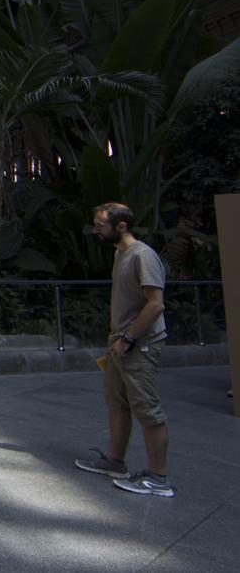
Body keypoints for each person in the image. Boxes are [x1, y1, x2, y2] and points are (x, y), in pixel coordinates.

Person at [74, 202, 174, 497]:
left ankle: (158, 478)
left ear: (121, 226)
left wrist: (129, 338)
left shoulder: (143, 256)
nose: (95, 230)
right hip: (120, 342)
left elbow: (156, 304)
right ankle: (115, 462)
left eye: (100, 225)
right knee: (117, 402)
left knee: (147, 409)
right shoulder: (121, 254)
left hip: (139, 344)